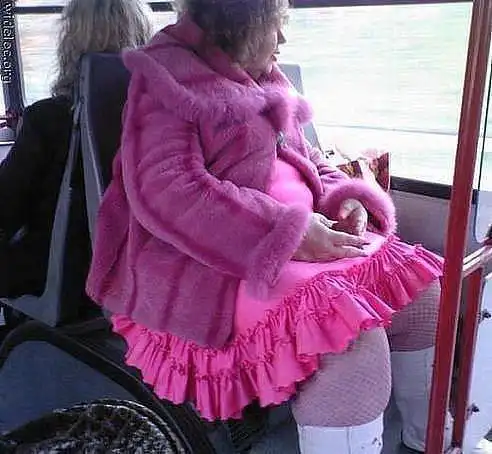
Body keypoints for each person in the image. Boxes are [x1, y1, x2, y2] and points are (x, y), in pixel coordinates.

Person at [85, 1, 490, 453]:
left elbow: (308, 159)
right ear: (238, 23)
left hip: (296, 239)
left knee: (423, 296)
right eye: (274, 26)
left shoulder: (263, 76)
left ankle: (428, 442)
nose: (283, 39)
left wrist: (345, 196)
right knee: (348, 339)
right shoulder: (166, 78)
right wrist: (287, 233)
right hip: (210, 265)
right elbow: (166, 191)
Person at [0, 0, 153, 298]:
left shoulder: (47, 119)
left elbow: (6, 208)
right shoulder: (160, 117)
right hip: (137, 272)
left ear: (70, 42)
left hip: (61, 274)